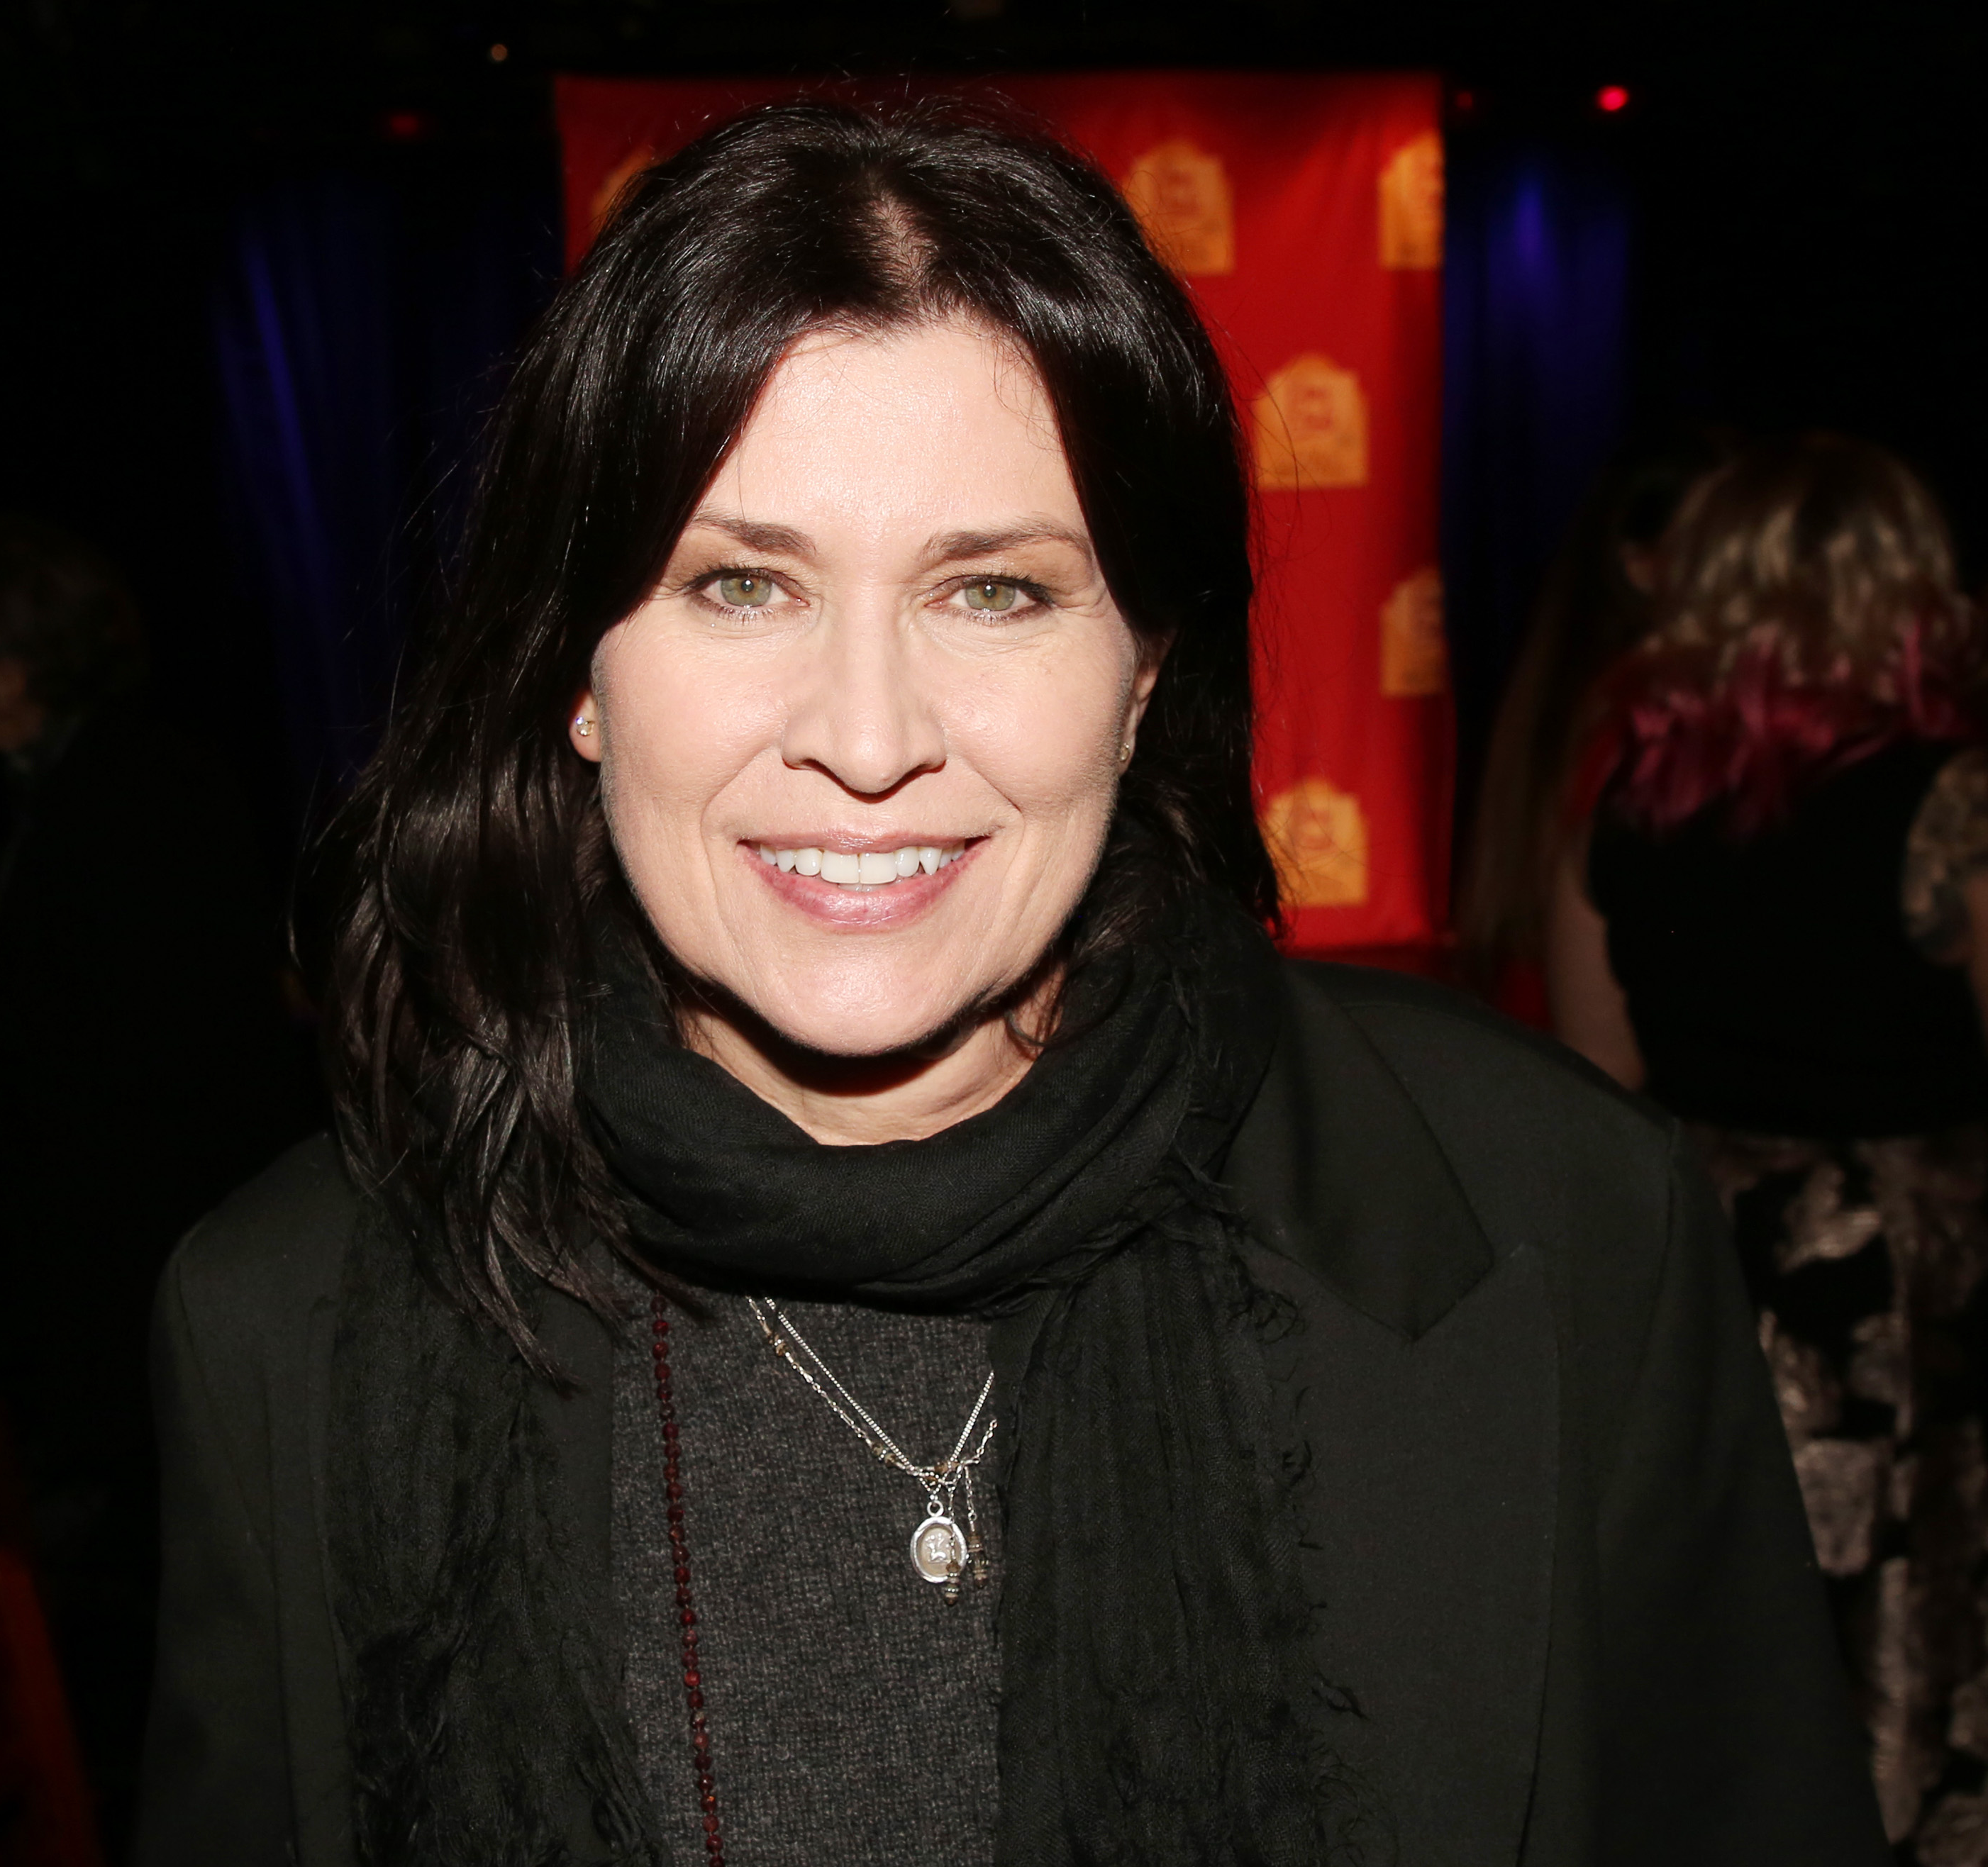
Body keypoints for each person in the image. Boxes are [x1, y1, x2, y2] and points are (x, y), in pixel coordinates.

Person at [136, 104, 1882, 1867]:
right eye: (741, 583)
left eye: (992, 590)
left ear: (1142, 674)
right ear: (576, 672)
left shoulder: (1567, 1224)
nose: (867, 737)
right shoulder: (282, 1323)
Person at [0, 515, 310, 1827]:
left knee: (178, 1655)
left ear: (6, 673)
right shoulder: (114, 778)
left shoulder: (116, 797)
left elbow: (104, 1045)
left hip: (151, 1295)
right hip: (168, 1279)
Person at [1549, 435, 1988, 1856]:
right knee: (1913, 1615)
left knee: (1733, 1618)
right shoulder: (1951, 801)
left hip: (1704, 1258)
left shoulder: (1624, 795)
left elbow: (1595, 1075)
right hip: (1909, 1280)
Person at [1457, 428, 1730, 1026]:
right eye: (1716, 548)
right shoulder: (1641, 722)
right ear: (1640, 566)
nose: (1748, 572)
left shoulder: (1573, 694)